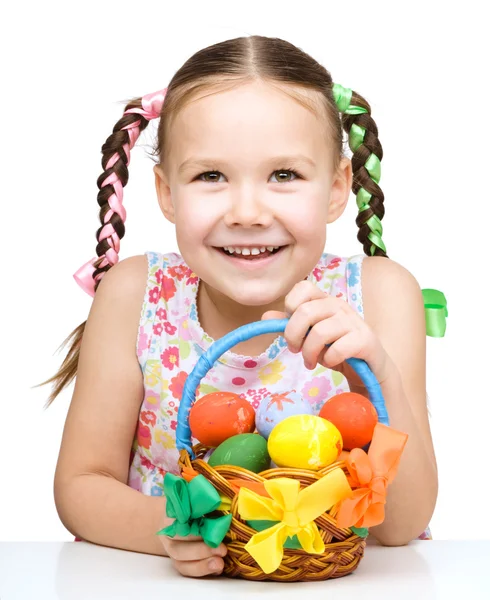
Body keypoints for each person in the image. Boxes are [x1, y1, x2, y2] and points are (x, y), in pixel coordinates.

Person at [37, 35, 442, 578]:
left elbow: (401, 526)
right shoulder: (137, 293)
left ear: (337, 188)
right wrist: (174, 530)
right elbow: (81, 487)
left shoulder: (380, 293)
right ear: (166, 192)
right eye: (211, 176)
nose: (247, 212)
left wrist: (375, 373)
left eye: (284, 175)